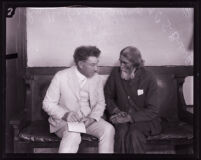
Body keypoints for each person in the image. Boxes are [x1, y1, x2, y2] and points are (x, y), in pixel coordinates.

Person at [42, 46, 115, 153]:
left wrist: (92, 118)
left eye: (97, 64)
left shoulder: (97, 78)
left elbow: (100, 103)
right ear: (81, 64)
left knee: (108, 129)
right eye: (92, 65)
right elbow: (47, 103)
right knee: (73, 135)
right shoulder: (61, 76)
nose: (96, 68)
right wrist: (65, 114)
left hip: (88, 120)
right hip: (64, 122)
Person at [104, 46, 161, 153]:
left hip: (145, 120)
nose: (121, 66)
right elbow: (107, 96)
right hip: (120, 118)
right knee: (120, 133)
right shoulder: (115, 74)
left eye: (125, 63)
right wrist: (116, 111)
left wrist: (130, 118)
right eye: (120, 61)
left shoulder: (149, 77)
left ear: (135, 64)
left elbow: (153, 110)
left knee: (134, 134)